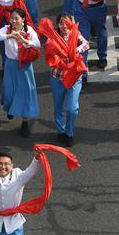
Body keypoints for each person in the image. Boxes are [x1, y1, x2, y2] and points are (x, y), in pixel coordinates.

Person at [0, 9, 41, 138]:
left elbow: (38, 44)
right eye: (12, 18)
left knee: (25, 93)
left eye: (16, 18)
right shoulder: (7, 29)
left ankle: (25, 123)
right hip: (10, 64)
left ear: (23, 19)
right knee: (9, 90)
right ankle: (10, 108)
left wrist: (24, 41)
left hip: (24, 65)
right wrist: (10, 36)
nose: (13, 21)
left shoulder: (29, 30)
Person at [46, 14, 89, 145]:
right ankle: (61, 131)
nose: (64, 26)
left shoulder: (76, 34)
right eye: (61, 23)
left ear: (71, 24)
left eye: (67, 23)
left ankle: (69, 133)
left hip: (74, 77)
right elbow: (48, 49)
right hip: (57, 77)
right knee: (58, 106)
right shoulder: (53, 37)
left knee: (72, 108)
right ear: (57, 25)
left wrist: (75, 50)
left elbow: (86, 44)